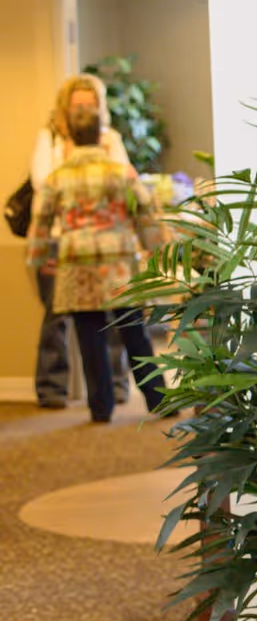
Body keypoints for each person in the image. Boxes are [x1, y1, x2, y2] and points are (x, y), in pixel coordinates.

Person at [26, 106, 166, 424]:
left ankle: (101, 408)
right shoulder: (122, 173)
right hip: (119, 266)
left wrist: (38, 258)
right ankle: (159, 400)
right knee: (135, 335)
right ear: (101, 136)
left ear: (70, 138)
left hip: (78, 269)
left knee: (90, 338)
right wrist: (155, 250)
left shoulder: (58, 178)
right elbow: (145, 212)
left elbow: (40, 221)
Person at [27, 75, 135, 409]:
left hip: (108, 242)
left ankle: (116, 386)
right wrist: (79, 162)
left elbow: (125, 177)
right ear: (66, 107)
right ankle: (52, 388)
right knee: (55, 317)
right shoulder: (50, 138)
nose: (85, 110)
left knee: (115, 317)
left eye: (91, 104)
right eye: (78, 104)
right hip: (60, 241)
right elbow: (42, 181)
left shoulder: (110, 138)